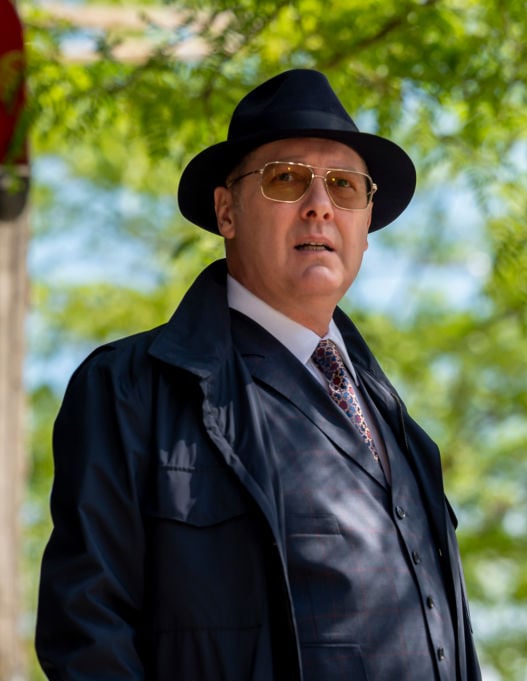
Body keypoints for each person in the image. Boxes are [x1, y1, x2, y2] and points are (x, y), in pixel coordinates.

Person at [35, 68, 482, 681]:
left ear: (366, 224)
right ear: (227, 211)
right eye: (287, 179)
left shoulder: (396, 425)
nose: (320, 205)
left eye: (345, 186)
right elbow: (88, 635)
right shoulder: (130, 390)